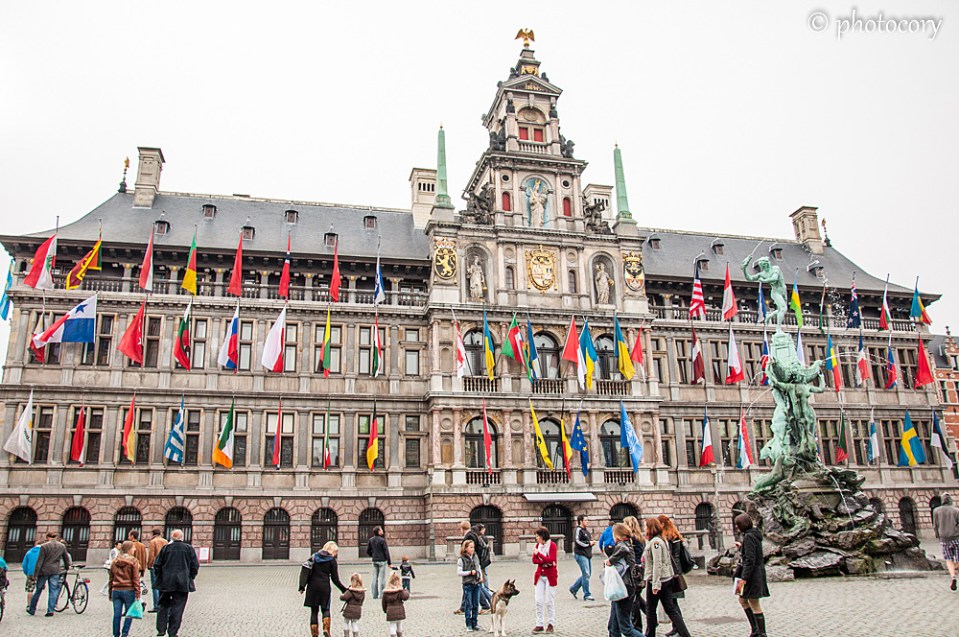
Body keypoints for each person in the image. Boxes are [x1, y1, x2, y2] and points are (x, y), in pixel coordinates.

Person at [642, 517, 691, 637]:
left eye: (645, 526)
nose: (644, 528)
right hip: (666, 579)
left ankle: (650, 634)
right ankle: (685, 634)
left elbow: (657, 563)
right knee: (670, 609)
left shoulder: (656, 542)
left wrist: (655, 583)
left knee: (651, 610)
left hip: (658, 580)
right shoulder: (661, 539)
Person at [153, 529, 199, 637]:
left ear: (172, 538)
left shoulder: (166, 548)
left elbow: (157, 565)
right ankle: (173, 632)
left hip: (166, 582)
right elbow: (195, 565)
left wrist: (160, 577)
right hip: (182, 582)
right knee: (178, 608)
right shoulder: (188, 549)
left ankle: (161, 630)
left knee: (163, 606)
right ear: (182, 537)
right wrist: (190, 577)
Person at [299, 540, 348, 637]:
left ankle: (314, 633)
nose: (336, 554)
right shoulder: (332, 561)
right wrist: (344, 590)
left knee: (314, 611)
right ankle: (326, 629)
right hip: (324, 587)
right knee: (325, 608)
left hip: (312, 587)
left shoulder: (314, 557)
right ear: (332, 550)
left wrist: (302, 586)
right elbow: (335, 579)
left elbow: (305, 571)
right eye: (335, 552)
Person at [734, 513, 770, 637]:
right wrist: (741, 548)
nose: (737, 528)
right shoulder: (752, 535)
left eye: (737, 525)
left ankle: (761, 633)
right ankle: (755, 630)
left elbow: (750, 560)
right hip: (750, 574)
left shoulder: (749, 536)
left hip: (750, 576)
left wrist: (744, 579)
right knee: (742, 599)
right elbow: (750, 554)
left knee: (754, 603)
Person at [605, 523, 643, 637]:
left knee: (626, 628)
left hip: (625, 587)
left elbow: (623, 549)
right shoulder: (625, 544)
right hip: (621, 586)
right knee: (613, 626)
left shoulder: (623, 545)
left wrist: (610, 561)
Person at [27, 531, 71, 616]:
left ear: (48, 538)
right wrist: (66, 568)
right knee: (53, 590)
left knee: (38, 590)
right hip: (55, 570)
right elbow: (66, 559)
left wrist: (35, 574)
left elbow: (39, 561)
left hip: (44, 571)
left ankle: (32, 609)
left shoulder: (44, 546)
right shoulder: (62, 546)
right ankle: (50, 610)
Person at [659, 515, 689, 637]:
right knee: (672, 603)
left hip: (673, 573)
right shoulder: (674, 535)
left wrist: (674, 572)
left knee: (672, 604)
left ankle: (679, 630)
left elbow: (672, 557)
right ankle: (676, 628)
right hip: (676, 571)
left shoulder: (669, 537)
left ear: (662, 524)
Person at [108, 540, 141, 637]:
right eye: (133, 548)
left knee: (116, 614)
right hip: (129, 589)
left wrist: (110, 592)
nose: (134, 549)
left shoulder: (115, 561)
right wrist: (138, 592)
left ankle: (116, 634)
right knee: (129, 613)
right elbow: (135, 578)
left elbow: (111, 578)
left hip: (116, 590)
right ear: (129, 549)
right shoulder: (133, 561)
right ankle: (125, 633)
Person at [531, 526, 557, 634]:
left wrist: (539, 555)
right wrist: (543, 560)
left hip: (550, 575)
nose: (536, 538)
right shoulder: (538, 545)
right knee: (538, 600)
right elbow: (534, 560)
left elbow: (551, 559)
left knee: (549, 601)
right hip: (540, 575)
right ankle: (539, 624)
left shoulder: (552, 545)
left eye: (537, 536)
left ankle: (551, 623)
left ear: (542, 536)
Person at [623, 516, 646, 632]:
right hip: (640, 569)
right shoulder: (640, 537)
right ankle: (652, 616)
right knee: (637, 596)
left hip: (634, 571)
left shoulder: (632, 539)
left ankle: (637, 626)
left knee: (634, 599)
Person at [932, 493, 959, 591]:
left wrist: (938, 536)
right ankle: (956, 566)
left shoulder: (936, 511)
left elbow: (935, 525)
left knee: (948, 559)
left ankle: (953, 577)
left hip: (944, 538)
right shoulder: (956, 510)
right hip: (956, 537)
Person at [569, 514, 596, 601]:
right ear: (581, 521)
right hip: (581, 554)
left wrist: (591, 542)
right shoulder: (578, 530)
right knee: (586, 574)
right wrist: (588, 544)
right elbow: (577, 541)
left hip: (587, 554)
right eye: (585, 520)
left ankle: (574, 588)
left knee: (587, 574)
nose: (587, 522)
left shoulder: (586, 531)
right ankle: (587, 594)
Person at [458, 539, 483, 632]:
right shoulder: (461, 559)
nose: (473, 549)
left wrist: (480, 576)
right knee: (469, 604)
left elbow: (478, 567)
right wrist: (469, 573)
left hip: (476, 583)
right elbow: (459, 572)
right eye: (471, 547)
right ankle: (468, 623)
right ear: (465, 548)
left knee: (476, 604)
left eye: (473, 547)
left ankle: (475, 623)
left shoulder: (475, 556)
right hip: (467, 584)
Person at [366, 526, 391, 600]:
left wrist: (372, 555)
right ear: (379, 531)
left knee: (374, 578)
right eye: (381, 530)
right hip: (382, 561)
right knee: (382, 579)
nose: (382, 531)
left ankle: (374, 595)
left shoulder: (371, 540)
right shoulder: (382, 540)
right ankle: (382, 595)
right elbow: (386, 552)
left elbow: (368, 551)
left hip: (374, 560)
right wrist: (389, 562)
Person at [147, 528, 169, 613]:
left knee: (155, 586)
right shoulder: (165, 541)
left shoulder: (153, 542)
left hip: (155, 566)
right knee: (162, 585)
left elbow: (151, 555)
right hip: (164, 566)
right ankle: (163, 604)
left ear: (153, 534)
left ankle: (156, 605)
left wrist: (149, 565)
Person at [381, 572, 409, 637]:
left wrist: (385, 610)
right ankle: (400, 635)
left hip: (390, 611)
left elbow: (383, 602)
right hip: (399, 611)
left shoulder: (386, 592)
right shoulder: (400, 591)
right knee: (399, 625)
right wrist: (405, 591)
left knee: (392, 626)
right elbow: (405, 597)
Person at [339, 573, 366, 637]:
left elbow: (345, 597)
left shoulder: (350, 591)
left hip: (349, 609)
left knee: (346, 622)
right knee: (354, 623)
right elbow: (362, 601)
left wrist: (341, 596)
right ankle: (356, 635)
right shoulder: (362, 592)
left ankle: (346, 635)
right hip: (358, 609)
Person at [128, 529, 148, 604]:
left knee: (130, 587)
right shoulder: (142, 545)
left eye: (129, 535)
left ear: (132, 536)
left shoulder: (129, 545)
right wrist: (143, 570)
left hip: (130, 569)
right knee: (137, 585)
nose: (128, 537)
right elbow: (144, 558)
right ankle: (140, 600)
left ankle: (137, 602)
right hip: (139, 569)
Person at [22, 538, 41, 610]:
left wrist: (27, 573)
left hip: (30, 573)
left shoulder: (29, 552)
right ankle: (35, 604)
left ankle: (29, 604)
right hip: (40, 573)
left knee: (30, 589)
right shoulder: (43, 552)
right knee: (38, 589)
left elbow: (24, 564)